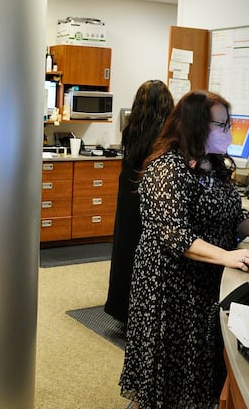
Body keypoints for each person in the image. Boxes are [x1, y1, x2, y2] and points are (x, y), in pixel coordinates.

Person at [118, 90, 249, 409]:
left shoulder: (212, 165)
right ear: (196, 126)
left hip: (205, 279)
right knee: (173, 374)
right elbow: (176, 235)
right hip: (172, 286)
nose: (230, 131)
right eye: (223, 125)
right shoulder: (167, 168)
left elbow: (232, 212)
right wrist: (229, 255)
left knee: (201, 366)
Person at [104, 79, 174, 324]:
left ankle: (120, 307)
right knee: (144, 254)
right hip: (149, 194)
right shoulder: (167, 135)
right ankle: (140, 311)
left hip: (128, 192)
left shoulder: (131, 129)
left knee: (125, 248)